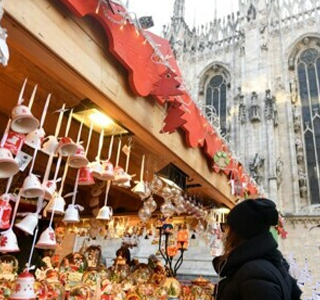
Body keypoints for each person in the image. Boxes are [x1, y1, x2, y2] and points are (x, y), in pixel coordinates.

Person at [212, 198, 302, 300]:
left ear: (238, 233)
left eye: (226, 227)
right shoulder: (264, 267)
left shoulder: (254, 273)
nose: (225, 235)